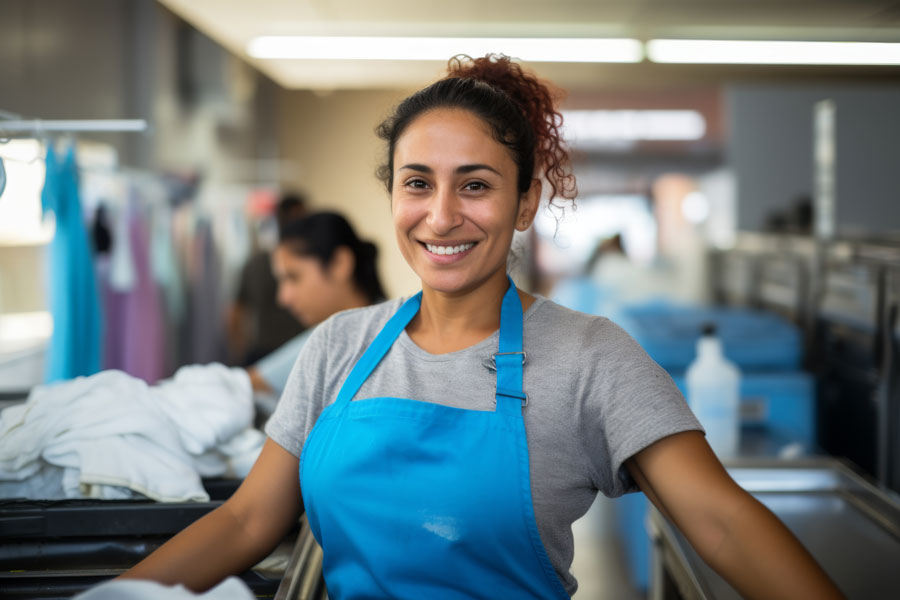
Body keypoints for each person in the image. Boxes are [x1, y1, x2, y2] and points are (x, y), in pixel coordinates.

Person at [120, 55, 843, 599]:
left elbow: (721, 522)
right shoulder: (339, 345)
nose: (441, 217)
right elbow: (247, 522)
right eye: (418, 183)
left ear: (525, 202)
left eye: (475, 185)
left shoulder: (590, 357)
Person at [245, 211, 385, 395]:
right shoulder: (347, 331)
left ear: (339, 264)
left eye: (293, 277)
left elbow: (243, 386)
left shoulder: (338, 340)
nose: (284, 298)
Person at [227, 193, 308, 366]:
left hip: (297, 349)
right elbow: (234, 315)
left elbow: (233, 316)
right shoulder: (257, 263)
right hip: (269, 352)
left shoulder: (255, 262)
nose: (284, 299)